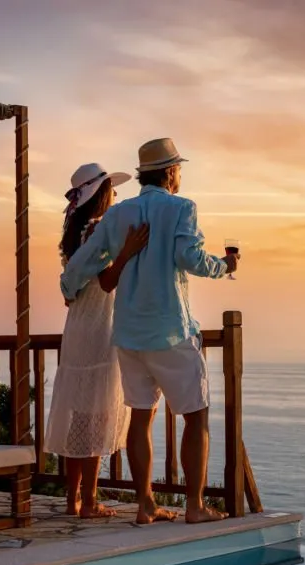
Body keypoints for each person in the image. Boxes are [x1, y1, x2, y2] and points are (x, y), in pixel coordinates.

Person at [61, 138, 239, 524]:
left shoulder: (118, 214)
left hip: (128, 334)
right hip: (170, 330)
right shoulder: (181, 209)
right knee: (196, 415)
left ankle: (145, 505)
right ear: (172, 172)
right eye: (179, 170)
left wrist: (67, 288)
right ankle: (194, 507)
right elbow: (189, 258)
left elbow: (83, 262)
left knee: (141, 417)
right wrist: (225, 266)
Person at [46, 162, 150, 518]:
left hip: (77, 326)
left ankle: (73, 499)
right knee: (95, 416)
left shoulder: (75, 231)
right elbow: (106, 282)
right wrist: (127, 252)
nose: (117, 196)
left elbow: (71, 289)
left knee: (78, 414)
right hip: (98, 328)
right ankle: (89, 502)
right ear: (102, 194)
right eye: (112, 190)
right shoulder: (97, 231)